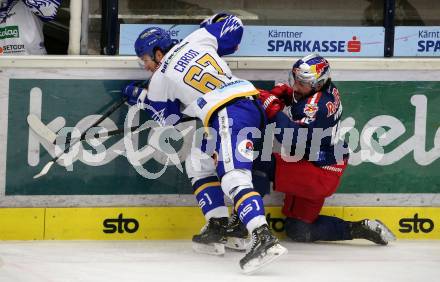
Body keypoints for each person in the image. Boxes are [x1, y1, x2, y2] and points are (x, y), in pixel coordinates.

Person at [122, 13, 287, 274]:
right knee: (198, 161)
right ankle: (218, 224)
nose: (145, 66)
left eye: (145, 59)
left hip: (227, 113)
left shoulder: (158, 80)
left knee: (233, 176)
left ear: (157, 52)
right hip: (247, 102)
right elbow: (234, 26)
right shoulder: (197, 39)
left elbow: (170, 119)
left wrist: (140, 97)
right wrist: (210, 23)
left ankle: (262, 237)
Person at [256, 53, 396, 245]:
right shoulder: (324, 89)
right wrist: (287, 94)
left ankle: (243, 224)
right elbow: (303, 104)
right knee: (298, 230)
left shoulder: (317, 106)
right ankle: (361, 228)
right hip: (323, 160)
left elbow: (291, 137)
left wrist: (272, 108)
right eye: (295, 80)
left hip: (319, 171)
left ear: (318, 84)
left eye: (302, 83)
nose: (296, 86)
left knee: (258, 160)